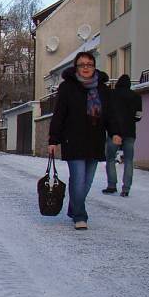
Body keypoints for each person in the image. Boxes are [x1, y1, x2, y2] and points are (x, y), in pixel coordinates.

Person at [48, 51, 120, 230]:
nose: (86, 68)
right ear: (76, 67)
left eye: (89, 64)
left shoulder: (103, 89)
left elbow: (110, 115)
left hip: (95, 141)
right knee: (78, 179)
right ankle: (80, 215)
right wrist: (53, 139)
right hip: (73, 140)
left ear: (94, 66)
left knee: (86, 182)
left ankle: (74, 207)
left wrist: (115, 132)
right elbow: (59, 115)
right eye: (82, 65)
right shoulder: (67, 88)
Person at [102, 74, 142, 197]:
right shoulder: (136, 96)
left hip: (114, 132)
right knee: (129, 160)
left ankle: (112, 185)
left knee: (110, 159)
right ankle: (126, 189)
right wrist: (130, 121)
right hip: (129, 132)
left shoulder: (111, 94)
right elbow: (138, 116)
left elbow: (107, 113)